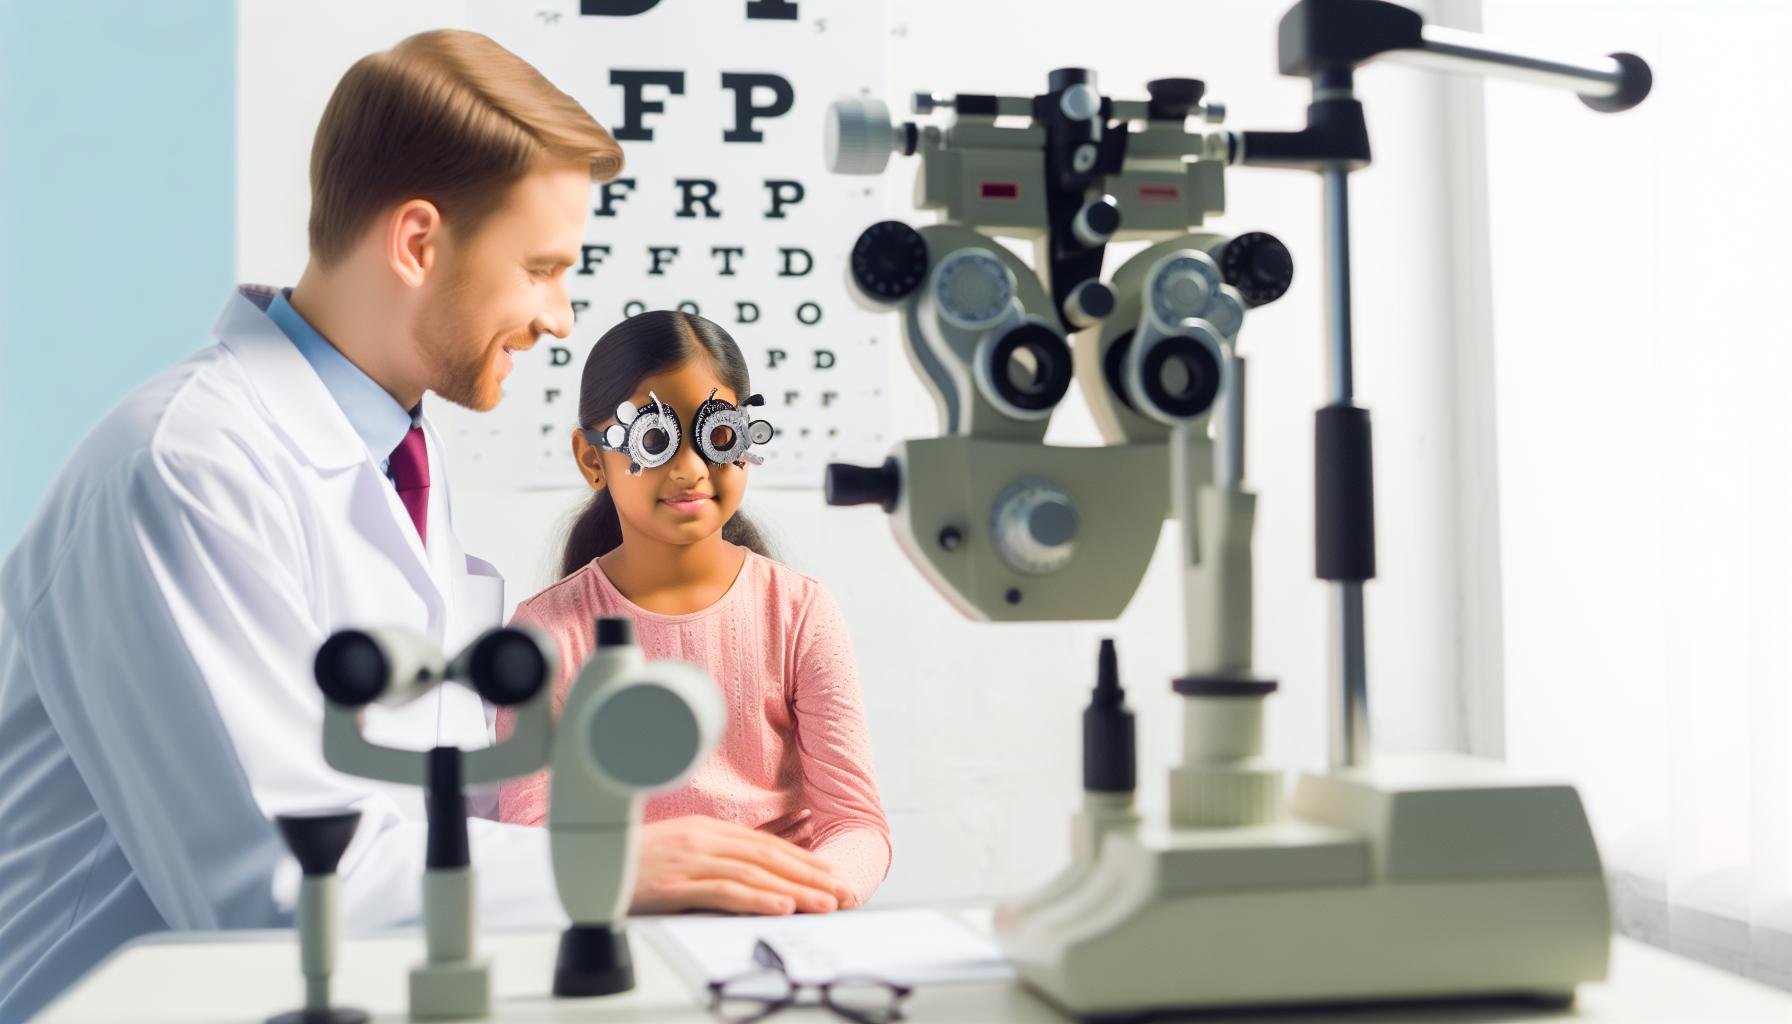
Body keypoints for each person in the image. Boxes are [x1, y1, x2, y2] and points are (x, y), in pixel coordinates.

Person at [0, 31, 843, 1023]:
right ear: (416, 242)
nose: (562, 317)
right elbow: (279, 889)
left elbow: (432, 801)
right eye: (538, 268)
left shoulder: (393, 453)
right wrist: (618, 864)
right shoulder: (184, 465)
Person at [496, 311, 891, 913]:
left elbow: (856, 823)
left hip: (782, 922)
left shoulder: (800, 611)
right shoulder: (545, 632)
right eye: (655, 440)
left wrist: (806, 894)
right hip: (622, 920)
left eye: (719, 436)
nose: (690, 469)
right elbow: (532, 830)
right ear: (592, 459)